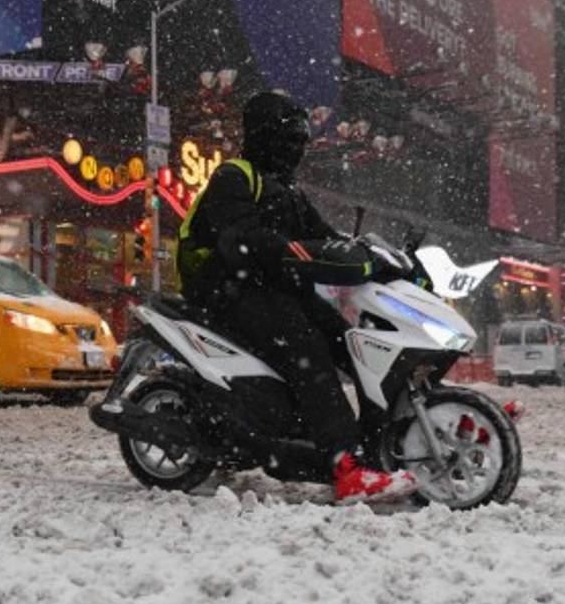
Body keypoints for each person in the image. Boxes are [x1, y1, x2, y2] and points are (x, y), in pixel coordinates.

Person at [177, 91, 416, 504]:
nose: (296, 150)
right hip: (227, 290)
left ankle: (390, 436)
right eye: (290, 140)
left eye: (301, 141)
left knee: (351, 341)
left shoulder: (288, 191)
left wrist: (371, 256)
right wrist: (291, 250)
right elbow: (241, 240)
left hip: (275, 288)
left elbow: (325, 236)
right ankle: (345, 466)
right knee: (310, 355)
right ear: (265, 135)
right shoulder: (235, 177)